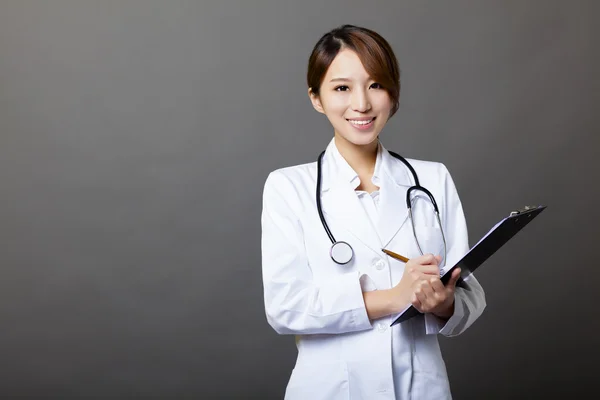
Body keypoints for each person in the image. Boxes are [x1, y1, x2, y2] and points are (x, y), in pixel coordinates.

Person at [260, 24, 486, 400]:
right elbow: (285, 309)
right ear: (316, 97)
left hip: (422, 388)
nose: (361, 104)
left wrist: (444, 303)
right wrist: (396, 297)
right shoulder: (289, 187)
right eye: (342, 88)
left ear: (393, 95)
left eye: (376, 85)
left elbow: (470, 296)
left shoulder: (432, 179)